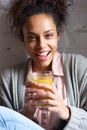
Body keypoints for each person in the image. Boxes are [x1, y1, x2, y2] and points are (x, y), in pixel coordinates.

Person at [0, 0, 87, 130]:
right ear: (23, 39)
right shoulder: (8, 79)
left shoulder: (78, 68)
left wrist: (66, 112)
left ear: (58, 35)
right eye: (32, 38)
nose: (41, 45)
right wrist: (26, 114)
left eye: (48, 35)